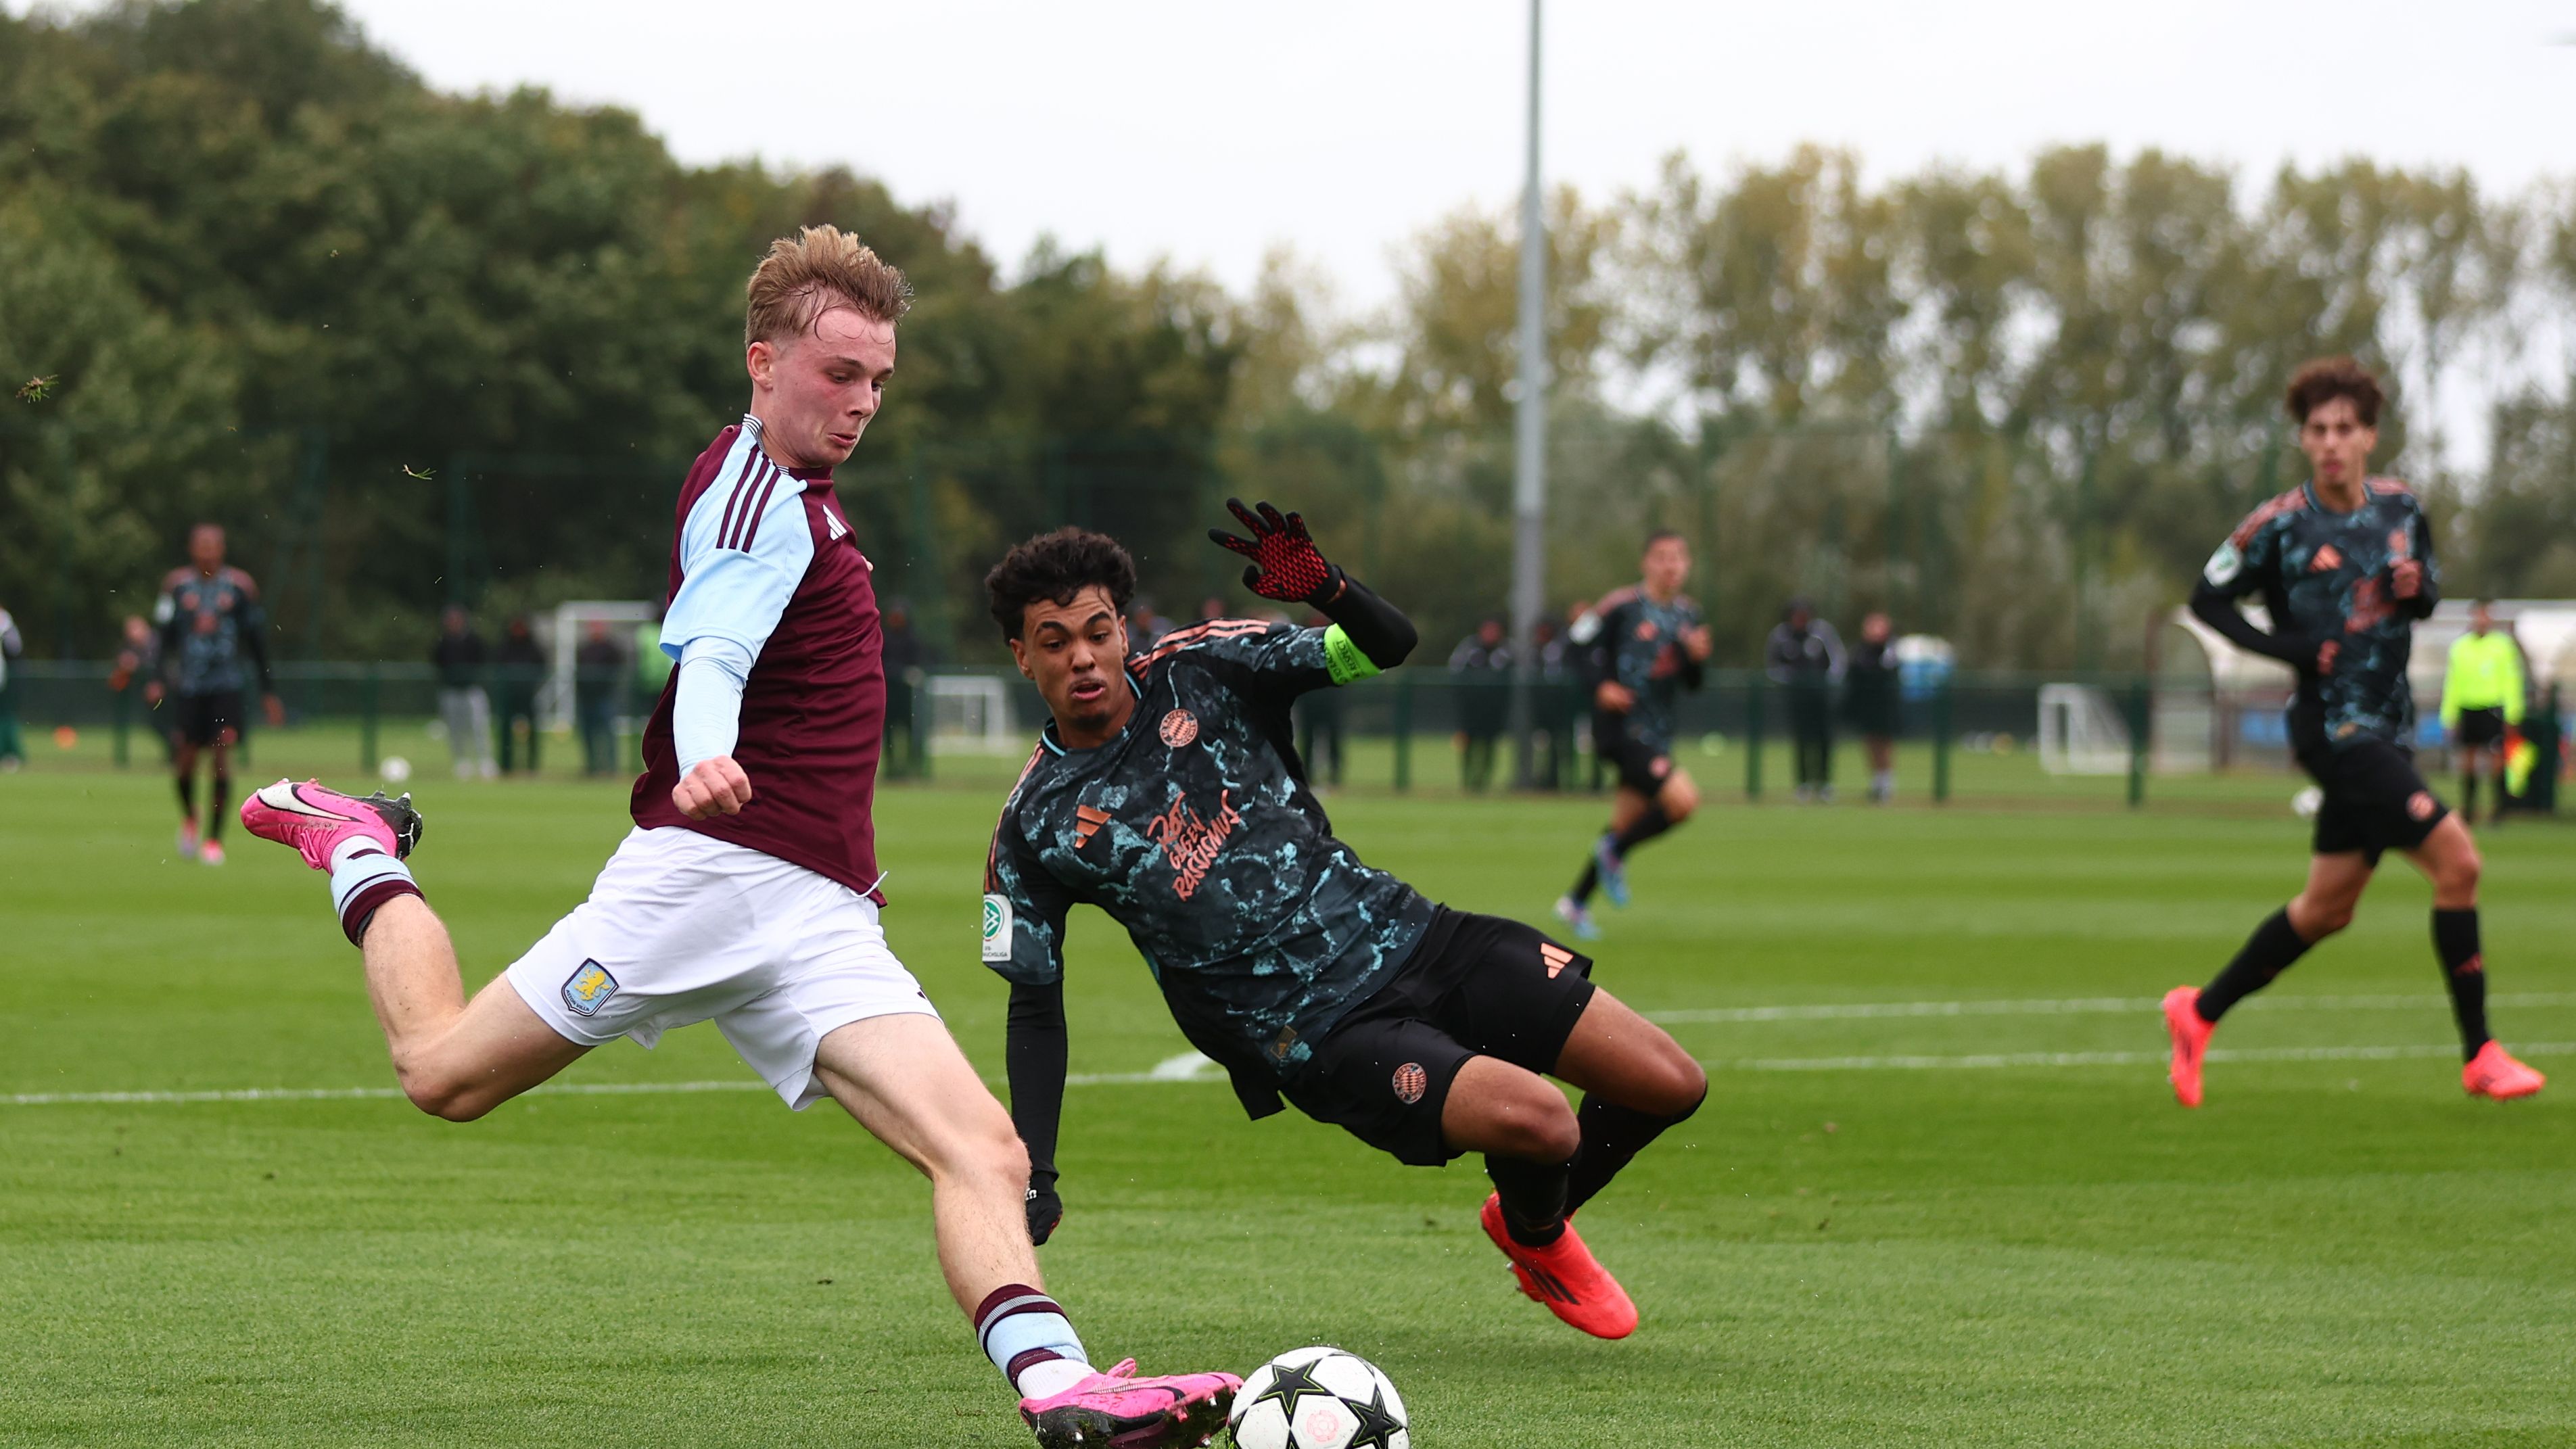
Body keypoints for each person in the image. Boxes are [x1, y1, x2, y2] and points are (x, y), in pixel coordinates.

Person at [239, 226, 1234, 1449]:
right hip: (708, 881)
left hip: (817, 911)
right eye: (839, 373)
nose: (862, 402)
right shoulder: (757, 498)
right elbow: (711, 649)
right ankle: (355, 841)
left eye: (878, 379)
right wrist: (706, 749)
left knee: (986, 1149)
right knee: (443, 1070)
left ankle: (1063, 1390)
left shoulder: (792, 491)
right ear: (764, 362)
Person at [981, 504, 1708, 1344]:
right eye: (1054, 640)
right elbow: (1033, 1003)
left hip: (1415, 933)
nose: (1081, 656)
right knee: (1545, 1121)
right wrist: (1035, 1166)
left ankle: (1530, 1217)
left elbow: (1383, 645)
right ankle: (1537, 1233)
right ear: (1021, 654)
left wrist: (1328, 588)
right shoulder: (1034, 824)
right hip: (1316, 1030)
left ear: (1121, 629)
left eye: (1097, 631)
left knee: (1669, 1082)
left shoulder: (1203, 667)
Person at [2164, 356, 2544, 1106]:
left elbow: (2423, 595)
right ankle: (2480, 1054)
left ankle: (2197, 1012)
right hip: (2332, 728)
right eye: (2317, 430)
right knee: (2458, 863)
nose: (2330, 442)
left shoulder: (2401, 508)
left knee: (2326, 909)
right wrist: (2288, 649)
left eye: (2344, 428)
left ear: (2369, 435)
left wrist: (2419, 589)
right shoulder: (2278, 525)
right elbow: (2204, 599)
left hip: (2388, 726)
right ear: (2303, 439)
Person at [1553, 533, 1710, 940]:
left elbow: (1693, 683)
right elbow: (1574, 645)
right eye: (1662, 557)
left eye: (1678, 557)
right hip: (1621, 729)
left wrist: (1696, 660)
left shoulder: (1689, 615)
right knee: (1683, 802)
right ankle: (1614, 853)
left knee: (1625, 823)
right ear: (1645, 563)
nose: (1671, 565)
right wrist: (1601, 686)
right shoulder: (1620, 605)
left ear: (1688, 565)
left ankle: (1575, 903)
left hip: (1657, 733)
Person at [146, 524, 284, 863]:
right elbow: (163, 637)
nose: (207, 551)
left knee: (223, 754)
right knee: (185, 760)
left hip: (227, 686)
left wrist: (268, 691)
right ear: (192, 548)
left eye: (213, 545)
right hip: (189, 687)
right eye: (201, 545)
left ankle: (213, 840)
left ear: (222, 549)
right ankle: (191, 817)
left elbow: (257, 641)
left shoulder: (239, 587)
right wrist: (157, 677)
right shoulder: (176, 586)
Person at [2439, 601, 2523, 827]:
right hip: (2468, 707)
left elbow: (2512, 680)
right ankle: (2469, 809)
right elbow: (2452, 683)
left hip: (2493, 707)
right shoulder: (2460, 647)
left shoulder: (2502, 646)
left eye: (2486, 615)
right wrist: (2449, 715)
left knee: (2496, 759)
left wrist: (2513, 713)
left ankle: (2498, 809)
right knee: (2468, 759)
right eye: (2479, 615)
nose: (2482, 620)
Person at [1766, 598, 1845, 803]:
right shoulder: (1780, 635)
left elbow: (1838, 660)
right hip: (1796, 698)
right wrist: (1791, 680)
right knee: (1801, 739)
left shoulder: (1822, 632)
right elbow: (1773, 666)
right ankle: (1803, 783)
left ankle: (1825, 782)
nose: (1800, 619)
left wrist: (1825, 682)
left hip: (1821, 697)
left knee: (1824, 739)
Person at [1448, 616, 1512, 792]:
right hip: (1471, 708)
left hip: (1494, 709)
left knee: (1490, 744)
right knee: (1468, 743)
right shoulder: (1468, 648)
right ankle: (1468, 779)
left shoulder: (1505, 650)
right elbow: (1455, 670)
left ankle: (1484, 781)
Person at [431, 606, 496, 781]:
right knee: (455, 729)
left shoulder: (474, 641)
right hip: (451, 692)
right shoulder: (443, 643)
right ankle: (462, 763)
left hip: (471, 690)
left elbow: (482, 662)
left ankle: (485, 762)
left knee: (479, 727)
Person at [1845, 612, 1900, 804]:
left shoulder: (1890, 650)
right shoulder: (1860, 651)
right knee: (1870, 742)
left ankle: (1886, 784)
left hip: (1885, 704)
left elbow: (1890, 672)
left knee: (1884, 743)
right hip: (1866, 703)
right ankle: (1877, 783)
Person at [1293, 607, 1346, 788]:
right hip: (1310, 698)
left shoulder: (1335, 638)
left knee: (1334, 737)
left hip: (1330, 698)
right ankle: (1307, 774)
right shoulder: (1302, 640)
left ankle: (1335, 775)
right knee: (1308, 738)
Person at [492, 615, 546, 776]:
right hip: (509, 695)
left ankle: (532, 765)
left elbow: (541, 668)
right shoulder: (505, 647)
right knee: (505, 731)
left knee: (532, 731)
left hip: (528, 695)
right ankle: (506, 765)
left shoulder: (533, 648)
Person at [573, 620, 626, 776]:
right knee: (588, 733)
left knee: (607, 732)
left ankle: (611, 766)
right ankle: (592, 766)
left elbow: (618, 669)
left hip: (605, 696)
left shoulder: (611, 648)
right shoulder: (584, 648)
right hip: (587, 697)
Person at [0, 602, 22, 771]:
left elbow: (14, 647)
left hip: (3, 674)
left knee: (5, 715)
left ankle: (9, 753)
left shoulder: (4, 620)